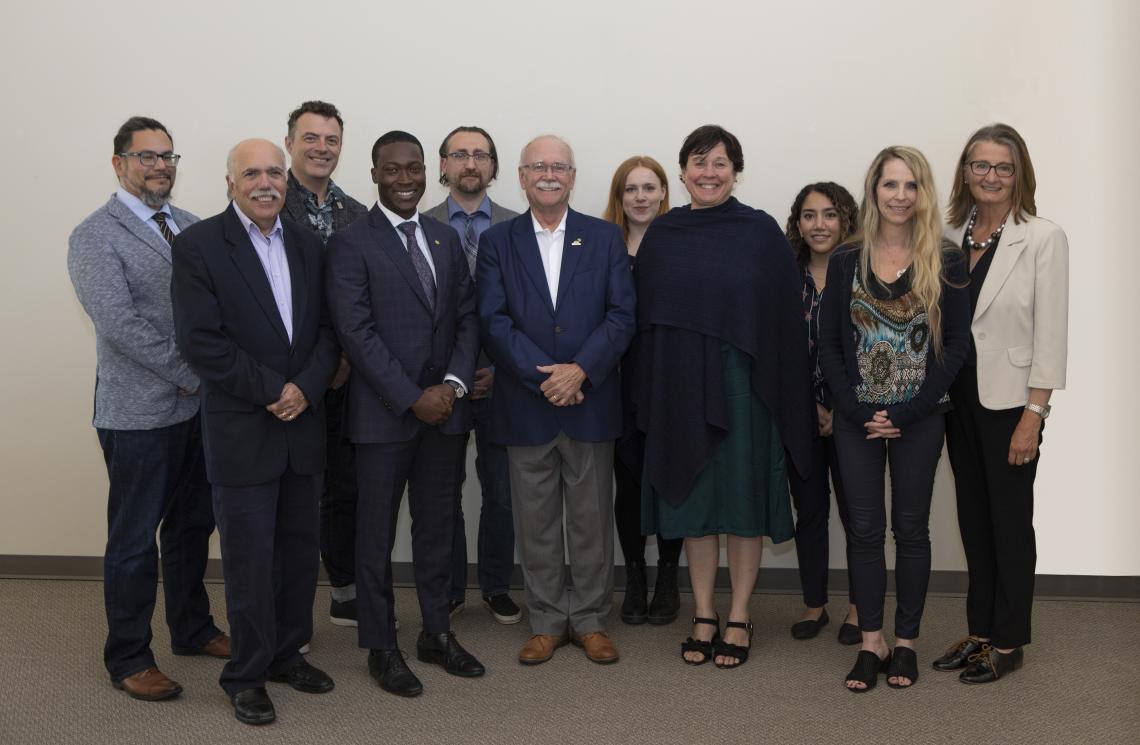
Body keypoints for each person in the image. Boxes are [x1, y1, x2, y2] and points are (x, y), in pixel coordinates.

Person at [171, 139, 340, 724]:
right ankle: (244, 672)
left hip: (303, 426)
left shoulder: (307, 244)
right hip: (245, 427)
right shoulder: (198, 246)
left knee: (297, 555)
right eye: (252, 173)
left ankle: (287, 654)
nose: (266, 182)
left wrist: (307, 388)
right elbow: (202, 342)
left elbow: (326, 331)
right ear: (229, 182)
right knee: (247, 562)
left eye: (274, 172)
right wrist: (275, 389)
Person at [633, 125, 814, 669]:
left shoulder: (760, 232)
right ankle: (704, 612)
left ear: (736, 171)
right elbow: (647, 323)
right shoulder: (663, 235)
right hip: (681, 385)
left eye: (720, 163)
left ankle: (739, 613)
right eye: (698, 161)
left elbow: (784, 322)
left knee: (742, 501)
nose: (709, 172)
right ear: (681, 170)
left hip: (745, 385)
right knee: (693, 500)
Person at [68, 116, 229, 702]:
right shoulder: (94, 236)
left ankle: (192, 628)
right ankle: (129, 656)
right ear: (119, 164)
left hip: (198, 414)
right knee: (134, 538)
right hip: (136, 415)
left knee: (191, 527)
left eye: (168, 157)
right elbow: (120, 325)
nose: (160, 166)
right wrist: (192, 375)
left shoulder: (189, 227)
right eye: (147, 157)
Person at [325, 131, 484, 698]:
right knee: (374, 536)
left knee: (438, 527)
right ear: (374, 175)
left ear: (427, 172)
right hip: (384, 414)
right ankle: (381, 647)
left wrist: (454, 384)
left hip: (445, 411)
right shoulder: (352, 243)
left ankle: (436, 633)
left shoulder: (443, 238)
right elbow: (356, 331)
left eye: (414, 168)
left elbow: (467, 317)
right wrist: (411, 395)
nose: (406, 179)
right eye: (393, 170)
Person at [477, 135, 635, 666]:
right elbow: (493, 322)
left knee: (591, 519)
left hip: (589, 401)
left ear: (572, 176)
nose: (549, 175)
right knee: (535, 521)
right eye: (538, 167)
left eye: (559, 167)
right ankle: (545, 619)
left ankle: (589, 620)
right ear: (520, 177)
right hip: (527, 403)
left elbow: (621, 316)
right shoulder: (498, 242)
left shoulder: (605, 238)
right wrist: (544, 376)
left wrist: (581, 371)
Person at [817, 146, 970, 692]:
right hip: (857, 418)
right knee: (862, 531)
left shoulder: (947, 260)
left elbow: (954, 349)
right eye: (890, 184)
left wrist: (907, 411)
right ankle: (871, 642)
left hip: (922, 417)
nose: (900, 195)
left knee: (910, 530)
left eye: (910, 185)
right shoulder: (845, 260)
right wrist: (859, 411)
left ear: (922, 193)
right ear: (874, 190)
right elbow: (831, 347)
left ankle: (905, 643)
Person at [935, 123, 1068, 685]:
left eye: (1003, 168)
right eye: (980, 165)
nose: (990, 177)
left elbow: (1051, 334)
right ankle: (982, 630)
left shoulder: (1042, 237)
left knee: (1010, 523)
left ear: (1020, 176)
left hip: (1010, 404)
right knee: (973, 520)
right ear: (965, 171)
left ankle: (1010, 641)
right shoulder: (946, 236)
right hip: (955, 398)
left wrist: (1033, 417)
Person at [424, 126, 523, 624]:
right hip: (442, 382)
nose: (470, 163)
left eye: (480, 155)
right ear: (443, 165)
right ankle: (450, 586)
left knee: (502, 490)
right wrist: (456, 373)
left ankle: (497, 585)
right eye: (459, 154)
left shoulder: (519, 225)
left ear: (493, 167)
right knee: (445, 490)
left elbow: (526, 311)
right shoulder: (415, 226)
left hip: (504, 380)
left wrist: (498, 368)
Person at [282, 101, 369, 628]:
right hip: (285, 379)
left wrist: (343, 359)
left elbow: (361, 299)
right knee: (291, 495)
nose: (321, 148)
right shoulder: (266, 202)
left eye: (331, 139)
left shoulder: (356, 214)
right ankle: (288, 612)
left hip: (344, 377)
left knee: (344, 488)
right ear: (290, 141)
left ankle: (344, 588)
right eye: (310, 138)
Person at [601, 155, 682, 625]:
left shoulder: (681, 246)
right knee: (629, 485)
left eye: (649, 188)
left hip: (672, 383)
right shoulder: (603, 247)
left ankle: (669, 578)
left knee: (671, 482)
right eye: (630, 189)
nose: (640, 197)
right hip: (618, 383)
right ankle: (635, 578)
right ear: (619, 197)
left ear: (664, 193)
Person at [783, 182, 861, 644]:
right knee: (809, 513)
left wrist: (837, 406)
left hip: (853, 415)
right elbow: (778, 349)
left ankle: (858, 608)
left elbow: (873, 351)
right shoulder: (786, 277)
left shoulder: (864, 274)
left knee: (858, 517)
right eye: (809, 216)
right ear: (798, 224)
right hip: (800, 415)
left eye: (829, 215)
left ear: (846, 220)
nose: (819, 225)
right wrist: (810, 406)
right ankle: (816, 606)